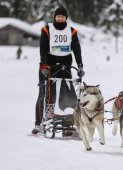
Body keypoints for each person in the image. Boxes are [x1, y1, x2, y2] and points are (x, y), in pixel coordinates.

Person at [32, 5, 85, 134]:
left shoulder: (71, 31)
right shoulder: (47, 30)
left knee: (68, 93)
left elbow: (76, 50)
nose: (60, 18)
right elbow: (43, 49)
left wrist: (80, 65)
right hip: (48, 66)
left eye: (62, 16)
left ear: (66, 18)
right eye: (58, 16)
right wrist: (43, 65)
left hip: (65, 66)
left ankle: (69, 123)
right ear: (55, 17)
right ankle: (39, 123)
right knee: (45, 93)